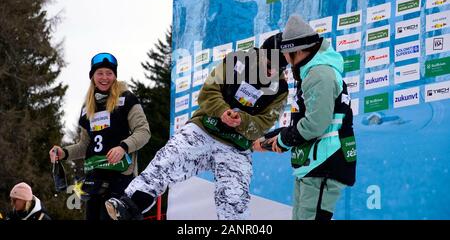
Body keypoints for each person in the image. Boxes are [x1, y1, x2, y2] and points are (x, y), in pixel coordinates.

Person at [104, 34, 289, 220]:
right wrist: (223, 111)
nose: (271, 71)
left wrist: (242, 120)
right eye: (269, 64)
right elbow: (208, 93)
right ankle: (129, 205)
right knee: (168, 159)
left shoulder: (280, 88)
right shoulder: (237, 61)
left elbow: (264, 123)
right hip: (204, 128)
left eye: (278, 68)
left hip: (237, 146)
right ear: (261, 54)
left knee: (235, 200)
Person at [254, 15, 356, 220]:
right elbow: (304, 121)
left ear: (298, 50)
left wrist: (283, 141)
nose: (285, 62)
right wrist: (269, 138)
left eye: (286, 55)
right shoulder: (311, 73)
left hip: (325, 164)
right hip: (313, 164)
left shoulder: (320, 75)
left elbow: (316, 124)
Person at [49, 52, 151, 220]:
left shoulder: (127, 99)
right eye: (100, 73)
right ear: (92, 76)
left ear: (115, 76)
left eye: (109, 73)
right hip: (95, 180)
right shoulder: (87, 106)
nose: (104, 78)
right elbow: (84, 145)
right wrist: (64, 153)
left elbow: (144, 131)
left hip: (120, 177)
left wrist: (123, 147)